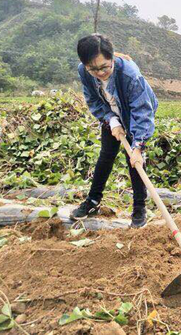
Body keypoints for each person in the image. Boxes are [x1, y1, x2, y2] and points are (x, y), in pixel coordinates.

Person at [70, 34, 158, 228]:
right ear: (84, 64)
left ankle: (139, 209)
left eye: (104, 67)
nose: (100, 73)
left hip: (134, 115)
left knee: (135, 162)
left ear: (112, 59)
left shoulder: (129, 74)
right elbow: (93, 99)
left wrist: (138, 146)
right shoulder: (84, 72)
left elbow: (142, 111)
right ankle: (93, 201)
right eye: (93, 69)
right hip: (111, 114)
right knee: (106, 155)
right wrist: (110, 119)